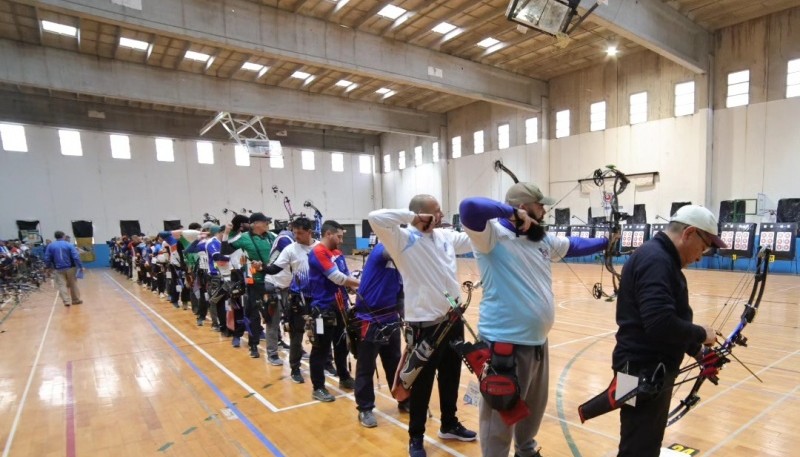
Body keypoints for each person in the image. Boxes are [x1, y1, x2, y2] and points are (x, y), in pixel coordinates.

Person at [459, 183, 609, 457]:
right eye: (540, 205)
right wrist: (511, 214)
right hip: (504, 346)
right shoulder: (490, 236)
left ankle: (526, 451)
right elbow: (469, 207)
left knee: (532, 408)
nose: (544, 210)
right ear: (524, 206)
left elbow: (574, 245)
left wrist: (607, 241)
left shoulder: (539, 239)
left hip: (537, 343)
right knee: (499, 416)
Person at [609, 205, 724, 456]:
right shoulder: (656, 260)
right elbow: (660, 323)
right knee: (638, 445)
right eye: (703, 247)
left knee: (642, 441)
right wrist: (701, 334)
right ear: (689, 233)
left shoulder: (661, 257)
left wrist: (697, 352)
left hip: (640, 369)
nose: (700, 256)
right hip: (640, 371)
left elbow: (667, 319)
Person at [368, 195, 477, 457]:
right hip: (424, 326)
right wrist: (411, 218)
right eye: (435, 212)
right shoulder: (402, 239)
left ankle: (449, 423)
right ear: (420, 215)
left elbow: (476, 238)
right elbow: (375, 218)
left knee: (451, 375)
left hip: (452, 321)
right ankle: (415, 436)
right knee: (422, 382)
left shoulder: (445, 238)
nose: (440, 216)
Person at [306, 220, 360, 402]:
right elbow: (337, 277)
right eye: (339, 236)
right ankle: (318, 387)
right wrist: (363, 284)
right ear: (328, 234)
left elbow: (346, 275)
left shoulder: (336, 252)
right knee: (320, 348)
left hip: (340, 307)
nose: (341, 240)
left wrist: (354, 287)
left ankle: (344, 377)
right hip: (323, 309)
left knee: (341, 344)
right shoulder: (318, 252)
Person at [352, 242, 404, 428]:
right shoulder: (382, 249)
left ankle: (403, 399)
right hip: (370, 319)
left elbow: (400, 295)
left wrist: (406, 320)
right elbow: (394, 249)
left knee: (395, 363)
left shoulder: (399, 266)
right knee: (366, 366)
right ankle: (365, 408)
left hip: (391, 318)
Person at [261, 217, 317, 384]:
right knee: (295, 334)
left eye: (300, 233)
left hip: (317, 297)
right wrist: (261, 266)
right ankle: (295, 368)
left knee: (321, 333)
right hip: (297, 298)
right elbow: (274, 268)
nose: (297, 236)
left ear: (309, 232)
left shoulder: (320, 247)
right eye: (295, 233)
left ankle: (325, 363)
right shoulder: (290, 248)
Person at [225, 212, 276, 358]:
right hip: (254, 282)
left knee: (273, 312)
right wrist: (228, 233)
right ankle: (253, 345)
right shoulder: (244, 238)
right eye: (264, 221)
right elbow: (226, 250)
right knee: (253, 314)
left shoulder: (271, 236)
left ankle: (277, 340)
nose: (267, 223)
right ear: (255, 224)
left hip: (273, 279)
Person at [44, 230, 84, 306]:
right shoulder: (69, 245)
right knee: (73, 284)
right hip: (71, 268)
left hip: (58, 269)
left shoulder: (51, 246)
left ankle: (66, 301)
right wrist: (80, 266)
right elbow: (76, 256)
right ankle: (75, 300)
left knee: (61, 285)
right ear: (63, 236)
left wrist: (48, 267)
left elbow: (47, 258)